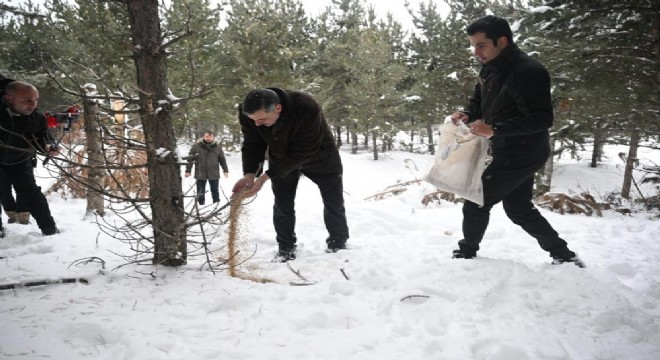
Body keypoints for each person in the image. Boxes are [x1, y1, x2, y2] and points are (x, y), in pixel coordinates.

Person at [449, 15, 584, 267]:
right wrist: (467, 113)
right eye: (473, 46)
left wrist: (495, 129)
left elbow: (541, 119)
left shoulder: (528, 71)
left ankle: (466, 255)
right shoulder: (489, 67)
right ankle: (564, 255)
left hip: (524, 151)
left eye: (481, 45)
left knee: (476, 200)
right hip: (507, 148)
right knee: (518, 209)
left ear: (502, 41)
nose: (476, 52)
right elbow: (480, 102)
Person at [232, 88, 349, 261]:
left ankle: (338, 244)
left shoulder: (306, 106)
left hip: (320, 157)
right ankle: (285, 248)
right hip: (280, 158)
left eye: (262, 120)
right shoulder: (249, 112)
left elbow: (305, 150)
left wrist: (265, 177)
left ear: (277, 108)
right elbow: (252, 143)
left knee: (333, 201)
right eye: (253, 120)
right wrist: (250, 174)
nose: (256, 124)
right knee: (282, 204)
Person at [0, 80, 59, 236]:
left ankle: (50, 230)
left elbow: (43, 137)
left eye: (35, 100)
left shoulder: (36, 117)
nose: (32, 104)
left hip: (20, 159)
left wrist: (49, 146)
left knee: (31, 193)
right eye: (26, 101)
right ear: (8, 99)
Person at [184, 131, 229, 205]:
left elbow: (222, 159)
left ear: (213, 137)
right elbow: (190, 159)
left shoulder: (218, 147)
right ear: (204, 137)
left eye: (210, 136)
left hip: (214, 173)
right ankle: (200, 205)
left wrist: (225, 170)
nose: (208, 138)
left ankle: (216, 204)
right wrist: (188, 170)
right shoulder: (196, 146)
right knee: (200, 192)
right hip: (200, 172)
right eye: (207, 136)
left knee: (215, 190)